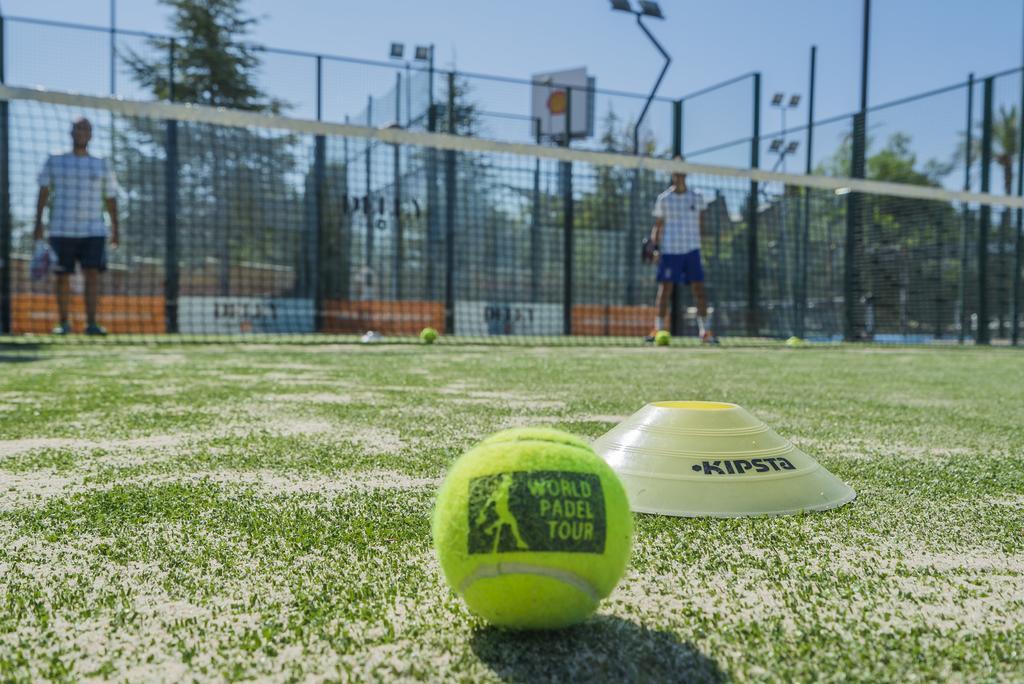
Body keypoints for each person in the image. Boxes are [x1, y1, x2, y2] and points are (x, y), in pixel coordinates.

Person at [33, 117, 120, 335]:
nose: (82, 132)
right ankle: (63, 323)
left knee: (92, 275)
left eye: (86, 129)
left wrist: (116, 229)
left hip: (94, 231)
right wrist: (38, 224)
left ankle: (92, 324)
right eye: (78, 128)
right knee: (62, 276)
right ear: (71, 132)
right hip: (61, 229)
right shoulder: (55, 160)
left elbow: (111, 198)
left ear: (91, 135)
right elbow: (43, 192)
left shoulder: (101, 163)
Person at [646, 161, 717, 344]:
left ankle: (705, 332)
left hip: (692, 250)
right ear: (672, 175)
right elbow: (658, 225)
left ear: (686, 175)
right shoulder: (664, 199)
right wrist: (654, 247)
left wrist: (702, 246)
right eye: (676, 173)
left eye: (682, 173)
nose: (679, 177)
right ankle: (659, 329)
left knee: (699, 290)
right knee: (665, 290)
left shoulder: (697, 197)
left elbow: (701, 224)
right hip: (670, 250)